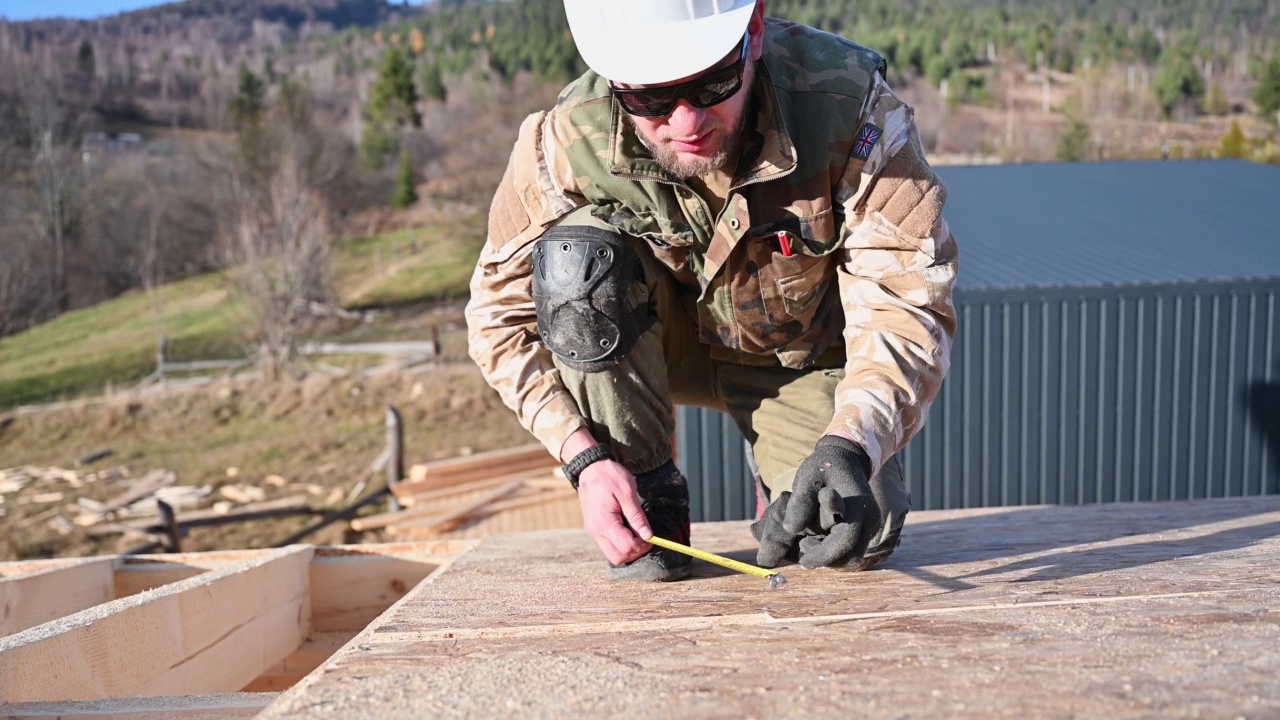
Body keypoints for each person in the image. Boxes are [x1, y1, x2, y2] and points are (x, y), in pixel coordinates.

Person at [465, 0, 958, 581]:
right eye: (649, 100)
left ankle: (787, 473)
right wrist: (584, 459)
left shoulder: (850, 110)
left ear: (752, 32)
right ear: (615, 81)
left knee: (854, 524)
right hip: (654, 346)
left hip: (795, 357)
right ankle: (647, 502)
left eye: (712, 84)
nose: (686, 123)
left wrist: (850, 442)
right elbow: (499, 319)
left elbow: (907, 300)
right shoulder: (567, 140)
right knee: (576, 265)